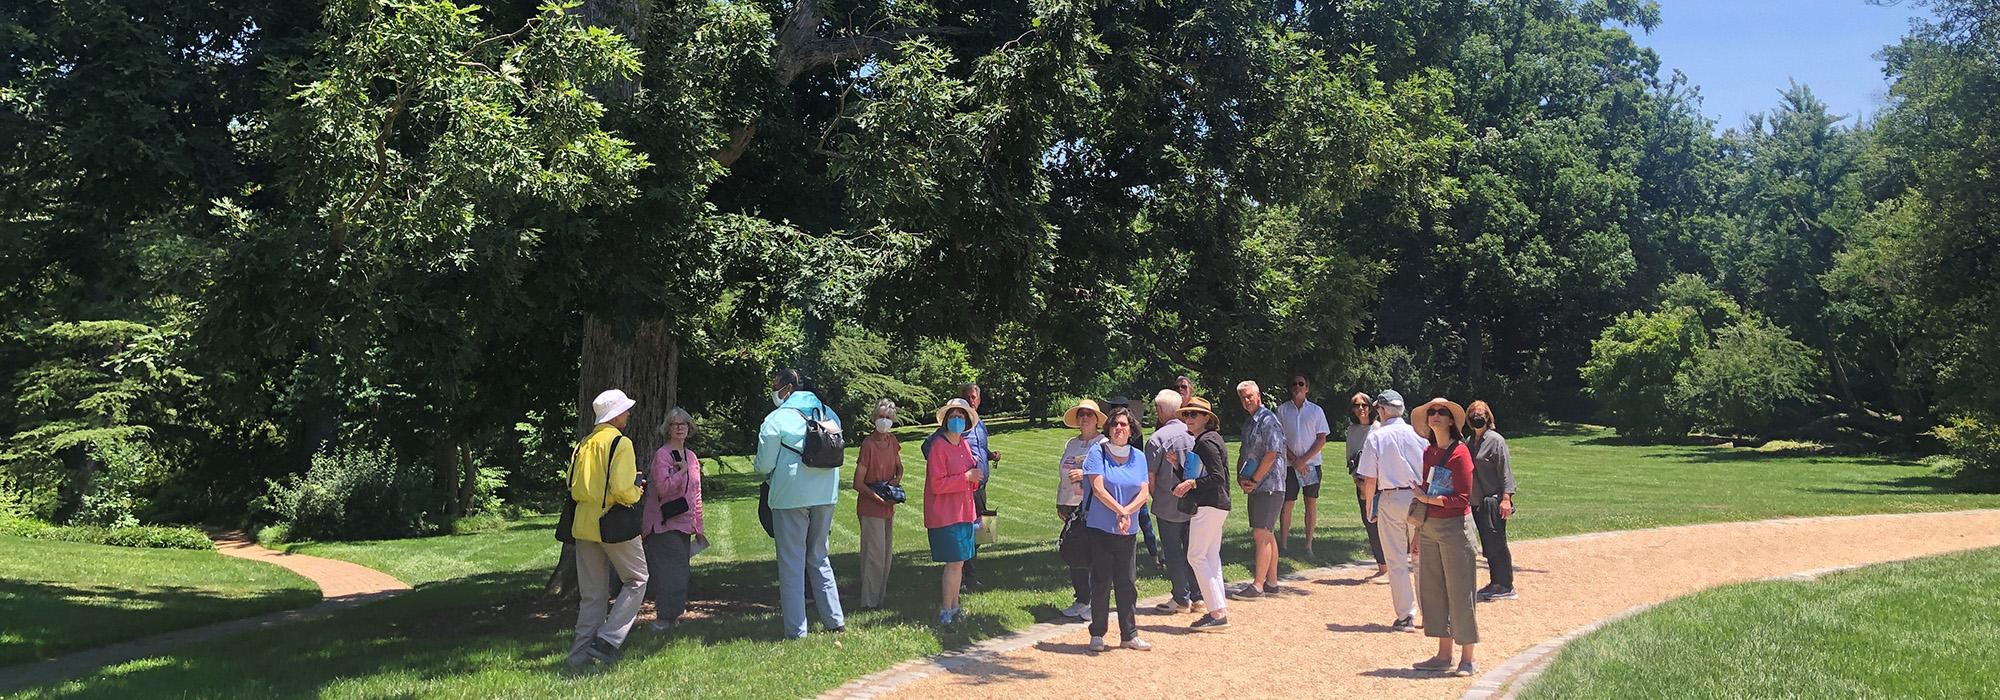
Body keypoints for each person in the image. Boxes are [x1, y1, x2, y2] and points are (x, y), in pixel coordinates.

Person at [752, 368, 845, 639]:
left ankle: (796, 629)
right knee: (819, 556)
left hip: (790, 495)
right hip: (826, 493)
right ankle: (834, 620)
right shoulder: (828, 413)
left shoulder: (776, 419)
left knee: (791, 562)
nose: (773, 391)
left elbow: (764, 465)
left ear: (787, 388)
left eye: (775, 386)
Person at [566, 389, 649, 667]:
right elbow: (623, 490)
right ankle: (608, 639)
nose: (628, 413)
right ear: (615, 414)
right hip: (613, 523)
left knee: (592, 596)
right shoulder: (620, 443)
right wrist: (637, 490)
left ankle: (578, 657)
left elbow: (571, 484)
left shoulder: (583, 444)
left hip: (583, 525)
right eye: (625, 409)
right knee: (637, 579)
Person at [1410, 397, 1480, 677]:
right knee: (1434, 591)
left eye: (1441, 412)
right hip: (1429, 527)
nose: (1435, 416)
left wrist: (1428, 498)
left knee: (1461, 591)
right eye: (1431, 412)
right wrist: (1418, 530)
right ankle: (1443, 655)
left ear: (1451, 420)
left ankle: (1468, 658)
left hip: (1454, 527)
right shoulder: (1429, 452)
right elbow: (1426, 491)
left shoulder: (1460, 452)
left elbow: (1463, 497)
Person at [1081, 407, 1153, 652]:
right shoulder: (1097, 452)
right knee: (1101, 581)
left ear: (1132, 429)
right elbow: (1098, 488)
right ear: (1108, 429)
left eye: (1124, 425)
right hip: (1101, 528)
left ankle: (1129, 634)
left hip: (1128, 530)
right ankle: (1097, 632)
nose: (1119, 429)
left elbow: (1144, 491)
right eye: (1115, 425)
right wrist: (1120, 511)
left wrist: (1127, 512)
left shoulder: (1139, 456)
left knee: (1127, 583)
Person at [1358, 389, 1425, 630]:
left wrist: (1369, 507)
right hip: (1418, 498)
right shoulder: (1418, 433)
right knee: (1420, 557)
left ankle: (1406, 615)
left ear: (1384, 410)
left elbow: (1369, 478)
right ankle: (1430, 614)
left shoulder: (1377, 436)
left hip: (1390, 497)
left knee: (1396, 559)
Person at [642, 406, 704, 632]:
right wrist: (680, 473)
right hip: (663, 524)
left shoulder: (691, 456)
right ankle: (664, 619)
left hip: (684, 524)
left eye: (684, 424)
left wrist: (698, 524)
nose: (680, 428)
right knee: (672, 572)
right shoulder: (663, 455)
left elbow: (696, 493)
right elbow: (662, 489)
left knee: (679, 571)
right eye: (675, 424)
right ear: (667, 429)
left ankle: (672, 617)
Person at [1174, 396, 1233, 631]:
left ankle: (1217, 613)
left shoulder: (1206, 442)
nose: (1188, 419)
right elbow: (1204, 474)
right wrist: (1179, 469)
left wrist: (1191, 485)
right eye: (1186, 415)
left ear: (1206, 418)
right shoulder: (1211, 439)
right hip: (1218, 505)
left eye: (1194, 415)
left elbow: (1217, 477)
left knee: (1196, 557)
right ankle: (1219, 609)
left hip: (1210, 505)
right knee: (1209, 557)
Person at [924, 398, 984, 625]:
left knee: (959, 562)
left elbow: (971, 475)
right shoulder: (938, 446)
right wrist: (966, 478)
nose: (957, 420)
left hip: (964, 512)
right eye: (953, 416)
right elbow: (937, 484)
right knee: (953, 562)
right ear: (945, 421)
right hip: (946, 514)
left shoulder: (964, 445)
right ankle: (946, 610)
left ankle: (955, 606)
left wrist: (974, 478)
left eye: (961, 417)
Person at [1143, 388, 1201, 613]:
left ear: (1160, 410)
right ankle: (1198, 597)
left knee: (1173, 551)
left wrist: (1156, 497)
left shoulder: (1157, 439)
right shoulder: (1193, 434)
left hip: (1168, 503)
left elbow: (1150, 476)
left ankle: (1180, 598)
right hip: (1194, 500)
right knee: (1193, 550)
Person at [1232, 380, 1288, 598]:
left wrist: (1254, 479)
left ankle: (1257, 585)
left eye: (1249, 396)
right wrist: (1241, 478)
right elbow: (1244, 453)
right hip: (1256, 485)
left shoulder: (1268, 420)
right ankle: (1272, 583)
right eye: (1243, 398)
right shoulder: (1249, 424)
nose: (1247, 401)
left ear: (1259, 395)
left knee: (1261, 534)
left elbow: (1272, 454)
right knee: (1266, 532)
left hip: (1270, 485)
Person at [1056, 399, 1107, 620]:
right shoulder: (1071, 444)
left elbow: (1108, 474)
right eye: (1081, 414)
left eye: (1089, 414)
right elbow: (1062, 475)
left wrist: (1085, 476)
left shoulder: (1103, 443)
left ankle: (1095, 601)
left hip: (1092, 505)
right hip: (1071, 505)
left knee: (1093, 553)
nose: (1084, 418)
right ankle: (1081, 598)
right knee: (1073, 551)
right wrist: (1060, 501)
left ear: (1097, 419)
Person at [854, 399, 904, 610]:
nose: (884, 421)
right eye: (881, 417)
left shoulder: (892, 441)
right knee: (873, 555)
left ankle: (880, 598)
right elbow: (857, 483)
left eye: (888, 418)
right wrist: (876, 497)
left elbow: (899, 468)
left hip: (887, 505)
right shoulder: (868, 445)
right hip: (871, 506)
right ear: (874, 418)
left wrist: (894, 484)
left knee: (886, 556)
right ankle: (869, 601)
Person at [1466, 400, 1518, 601]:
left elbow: (1505, 472)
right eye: (1473, 414)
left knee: (1497, 541)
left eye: (1481, 414)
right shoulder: (1470, 442)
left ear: (1488, 418)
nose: (1477, 417)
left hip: (1494, 501)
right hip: (1477, 502)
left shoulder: (1496, 440)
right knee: (1488, 544)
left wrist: (1506, 499)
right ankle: (1495, 581)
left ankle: (1505, 584)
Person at [1277, 374, 1330, 556]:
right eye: (1294, 383)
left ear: (1307, 388)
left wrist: (1303, 460)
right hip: (1290, 466)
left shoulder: (1316, 411)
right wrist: (1294, 460)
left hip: (1311, 465)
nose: (1297, 386)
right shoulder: (1282, 410)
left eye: (1301, 383)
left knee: (1310, 504)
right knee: (1287, 504)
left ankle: (1308, 546)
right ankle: (1283, 546)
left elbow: (1321, 439)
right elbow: (1279, 440)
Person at [953, 383, 999, 588]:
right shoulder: (958, 423)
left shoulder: (980, 423)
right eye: (967, 397)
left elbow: (979, 448)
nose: (971, 401)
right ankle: (962, 577)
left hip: (981, 487)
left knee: (980, 531)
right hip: (965, 487)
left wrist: (990, 455)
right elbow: (936, 447)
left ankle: (970, 575)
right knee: (965, 531)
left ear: (979, 400)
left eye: (974, 397)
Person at [1344, 392, 1386, 575]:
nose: (1360, 409)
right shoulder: (1352, 431)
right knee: (1369, 522)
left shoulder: (1379, 428)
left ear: (1370, 407)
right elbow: (1350, 458)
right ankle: (1381, 565)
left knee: (1382, 523)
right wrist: (1358, 482)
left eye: (1364, 405)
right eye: (1356, 405)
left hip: (1380, 484)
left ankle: (1390, 563)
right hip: (1360, 482)